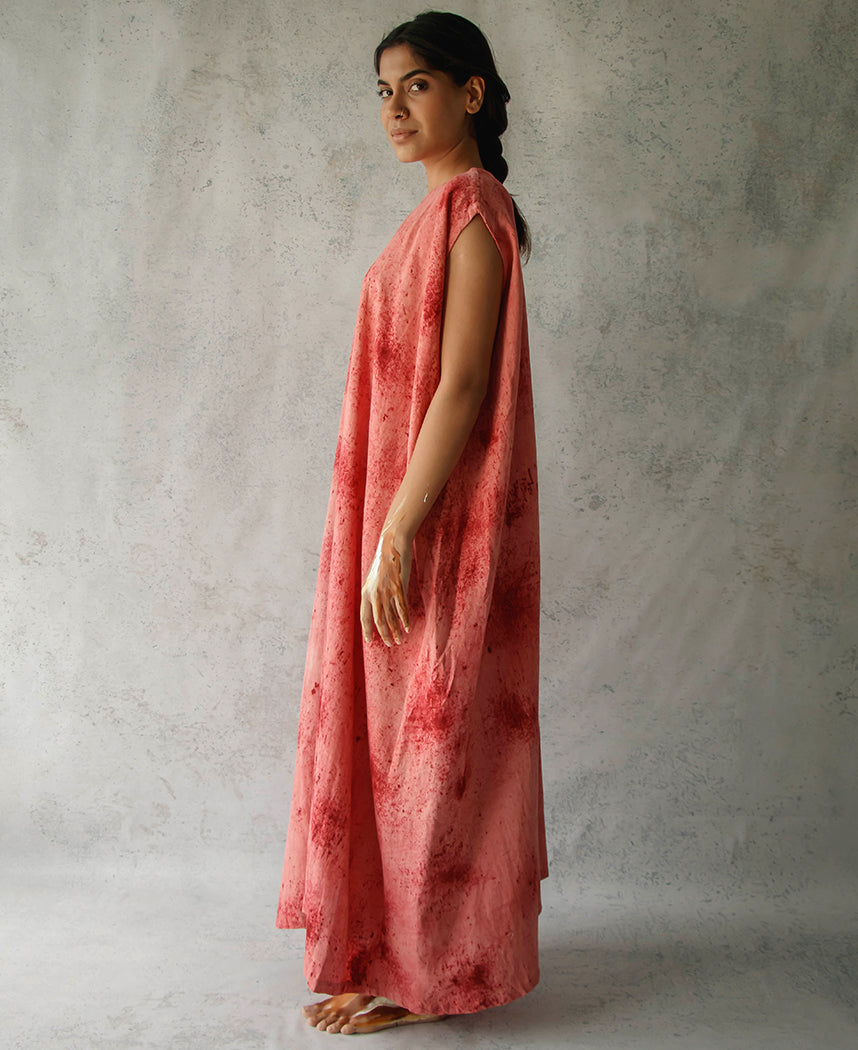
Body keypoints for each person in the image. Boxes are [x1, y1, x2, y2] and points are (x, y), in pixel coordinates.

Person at [276, 10, 547, 1035]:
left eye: (417, 86)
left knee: (432, 739)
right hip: (396, 510)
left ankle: (430, 972)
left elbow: (464, 383)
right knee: (394, 740)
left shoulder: (474, 209)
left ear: (472, 93)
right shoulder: (430, 214)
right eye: (383, 92)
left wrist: (397, 530)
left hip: (437, 520)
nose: (394, 109)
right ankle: (386, 948)